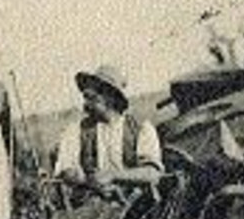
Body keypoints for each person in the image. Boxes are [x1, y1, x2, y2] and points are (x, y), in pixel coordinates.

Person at [53, 64, 164, 201]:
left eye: (97, 90)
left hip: (137, 205)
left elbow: (152, 173)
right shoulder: (77, 130)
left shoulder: (141, 128)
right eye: (87, 92)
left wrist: (113, 175)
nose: (88, 94)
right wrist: (88, 181)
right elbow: (66, 169)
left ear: (111, 96)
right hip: (93, 205)